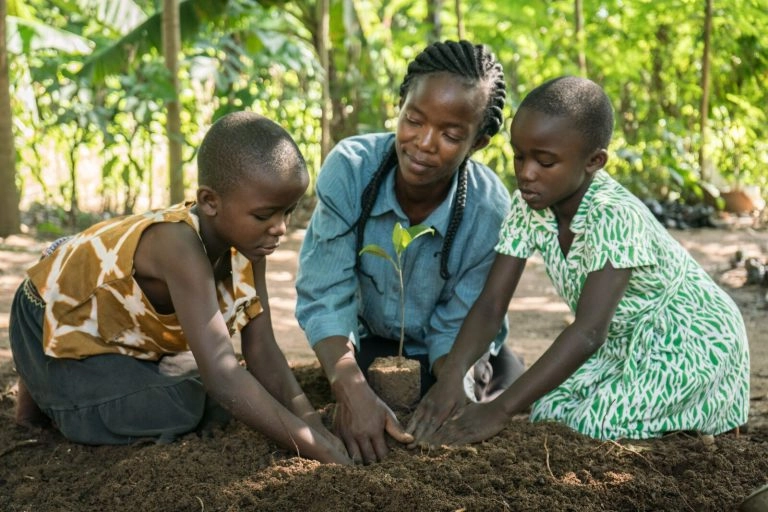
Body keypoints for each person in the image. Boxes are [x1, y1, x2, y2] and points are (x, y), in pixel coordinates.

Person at [407, 76, 750, 446]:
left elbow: (588, 332)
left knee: (596, 426)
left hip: (692, 340)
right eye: (519, 156)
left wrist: (499, 410)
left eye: (545, 161)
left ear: (594, 161)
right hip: (625, 344)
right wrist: (452, 377)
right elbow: (491, 305)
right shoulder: (528, 204)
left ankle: (708, 428)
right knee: (550, 414)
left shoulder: (613, 215)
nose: (526, 173)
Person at [9, 112, 351, 465]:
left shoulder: (250, 245)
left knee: (232, 395)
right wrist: (315, 449)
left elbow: (262, 349)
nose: (280, 228)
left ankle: (74, 386)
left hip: (110, 326)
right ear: (209, 201)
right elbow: (221, 375)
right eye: (265, 215)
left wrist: (314, 427)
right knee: (183, 406)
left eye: (288, 212)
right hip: (45, 314)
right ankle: (51, 398)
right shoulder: (179, 246)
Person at [295, 39, 525, 465]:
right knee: (362, 391)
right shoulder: (351, 169)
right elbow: (325, 292)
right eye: (413, 120)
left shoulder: (488, 208)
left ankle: (490, 369)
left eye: (451, 134)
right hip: (368, 340)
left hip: (451, 351)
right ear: (400, 105)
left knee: (492, 397)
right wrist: (349, 385)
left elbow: (463, 318)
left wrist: (454, 381)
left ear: (479, 141)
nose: (424, 142)